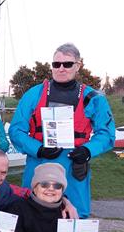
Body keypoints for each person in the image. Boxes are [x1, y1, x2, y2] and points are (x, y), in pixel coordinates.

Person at [8, 43, 115, 218]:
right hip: (39, 163)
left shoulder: (94, 99)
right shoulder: (33, 95)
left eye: (67, 64)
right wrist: (38, 149)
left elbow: (107, 134)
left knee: (74, 217)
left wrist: (87, 151)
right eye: (56, 64)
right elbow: (16, 130)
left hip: (73, 167)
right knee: (30, 214)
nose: (61, 69)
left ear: (78, 66)